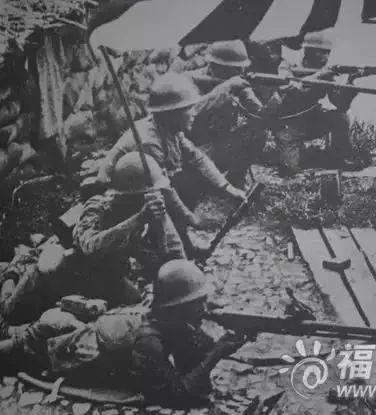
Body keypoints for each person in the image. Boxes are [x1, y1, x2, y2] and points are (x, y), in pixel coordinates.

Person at [1, 260, 246, 408]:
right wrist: (216, 353)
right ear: (177, 307)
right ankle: (12, 274)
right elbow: (174, 395)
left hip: (71, 327)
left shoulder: (167, 318)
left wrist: (222, 345)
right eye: (198, 302)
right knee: (7, 343)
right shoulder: (149, 342)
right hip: (49, 340)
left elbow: (194, 348)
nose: (205, 307)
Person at [75, 152, 209, 306]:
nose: (151, 197)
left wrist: (185, 276)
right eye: (143, 195)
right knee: (133, 304)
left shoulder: (149, 204)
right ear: (127, 195)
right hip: (89, 269)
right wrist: (139, 219)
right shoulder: (98, 206)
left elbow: (172, 248)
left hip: (123, 261)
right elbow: (88, 245)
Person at [96, 72, 246, 209]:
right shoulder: (149, 143)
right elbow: (162, 191)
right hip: (121, 198)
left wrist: (227, 187)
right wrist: (192, 220)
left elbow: (197, 158)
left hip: (144, 188)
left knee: (190, 180)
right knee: (183, 185)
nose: (194, 113)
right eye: (188, 108)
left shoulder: (169, 129)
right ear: (170, 114)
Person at [273, 30, 362, 175]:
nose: (326, 57)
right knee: (289, 170)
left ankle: (340, 156)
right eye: (322, 52)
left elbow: (341, 105)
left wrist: (350, 82)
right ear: (309, 51)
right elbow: (290, 89)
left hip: (312, 121)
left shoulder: (325, 73)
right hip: (288, 125)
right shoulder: (287, 66)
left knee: (340, 117)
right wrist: (319, 75)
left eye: (328, 52)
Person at [185, 40, 266, 186]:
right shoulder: (188, 81)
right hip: (194, 149)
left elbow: (259, 112)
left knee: (256, 133)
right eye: (235, 69)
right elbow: (192, 112)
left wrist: (276, 103)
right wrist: (225, 88)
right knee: (197, 184)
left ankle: (236, 179)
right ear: (214, 66)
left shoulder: (235, 82)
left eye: (241, 69)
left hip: (221, 143)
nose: (239, 73)